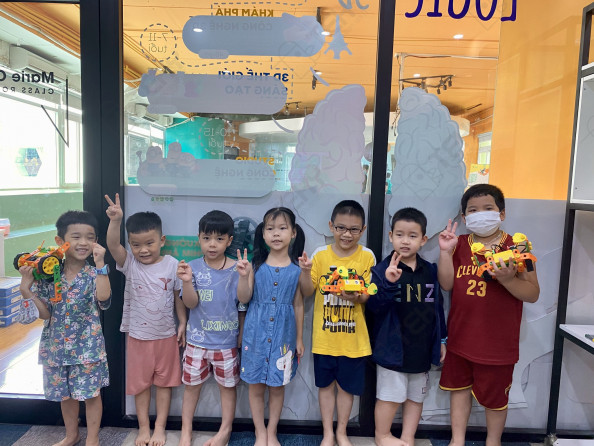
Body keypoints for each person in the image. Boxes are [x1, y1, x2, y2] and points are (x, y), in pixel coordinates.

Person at [437, 184, 540, 446]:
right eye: (473, 210)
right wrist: (445, 253)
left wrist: (508, 280)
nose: (480, 214)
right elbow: (446, 284)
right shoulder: (459, 244)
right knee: (458, 390)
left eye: (488, 208)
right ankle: (457, 440)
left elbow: (532, 293)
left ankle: (493, 442)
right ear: (464, 217)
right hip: (460, 338)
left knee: (495, 400)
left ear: (501, 213)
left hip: (498, 346)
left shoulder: (519, 246)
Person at [18, 210, 111, 446]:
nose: (84, 243)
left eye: (90, 237)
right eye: (76, 237)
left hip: (88, 348)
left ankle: (93, 438)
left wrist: (100, 264)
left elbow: (104, 300)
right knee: (66, 395)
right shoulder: (48, 276)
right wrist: (26, 290)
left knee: (91, 394)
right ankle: (71, 435)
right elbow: (45, 314)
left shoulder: (94, 273)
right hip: (56, 348)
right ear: (60, 241)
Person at [105, 193, 187, 446]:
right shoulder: (130, 264)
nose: (143, 250)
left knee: (164, 384)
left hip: (166, 335)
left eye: (149, 243)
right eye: (136, 244)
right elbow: (113, 246)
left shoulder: (172, 264)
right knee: (141, 385)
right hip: (138, 337)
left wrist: (182, 323)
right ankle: (143, 428)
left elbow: (178, 297)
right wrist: (116, 221)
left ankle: (160, 427)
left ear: (162, 240)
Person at [368, 208, 447, 446]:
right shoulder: (381, 270)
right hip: (392, 349)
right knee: (390, 397)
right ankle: (382, 435)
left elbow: (438, 308)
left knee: (416, 397)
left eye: (412, 236)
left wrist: (442, 340)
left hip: (421, 348)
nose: (405, 241)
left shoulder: (430, 270)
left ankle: (407, 437)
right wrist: (388, 283)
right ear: (390, 236)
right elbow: (374, 307)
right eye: (400, 234)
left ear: (423, 240)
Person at [300, 200, 375, 446]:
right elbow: (307, 291)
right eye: (341, 227)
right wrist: (305, 271)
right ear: (331, 226)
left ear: (363, 230)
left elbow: (367, 295)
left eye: (354, 229)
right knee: (325, 387)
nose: (347, 234)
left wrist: (356, 297)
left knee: (346, 389)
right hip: (324, 339)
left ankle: (341, 432)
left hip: (354, 340)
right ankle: (328, 433)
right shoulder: (320, 255)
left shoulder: (367, 256)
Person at [237, 207, 308, 446]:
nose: (276, 234)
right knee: (255, 386)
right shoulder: (255, 265)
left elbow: (299, 304)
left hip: (283, 337)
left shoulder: (297, 269)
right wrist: (243, 276)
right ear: (263, 233)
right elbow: (244, 298)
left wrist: (299, 339)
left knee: (277, 386)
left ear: (293, 233)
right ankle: (260, 432)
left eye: (282, 228)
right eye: (270, 228)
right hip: (255, 335)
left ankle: (271, 431)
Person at [175, 210, 246, 446]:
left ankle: (225, 430)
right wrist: (187, 282)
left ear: (229, 240)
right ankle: (186, 431)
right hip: (197, 341)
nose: (212, 244)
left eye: (219, 239)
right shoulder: (192, 267)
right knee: (191, 387)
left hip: (226, 343)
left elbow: (243, 302)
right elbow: (190, 303)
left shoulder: (238, 268)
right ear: (199, 238)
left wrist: (241, 333)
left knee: (228, 388)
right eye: (206, 238)